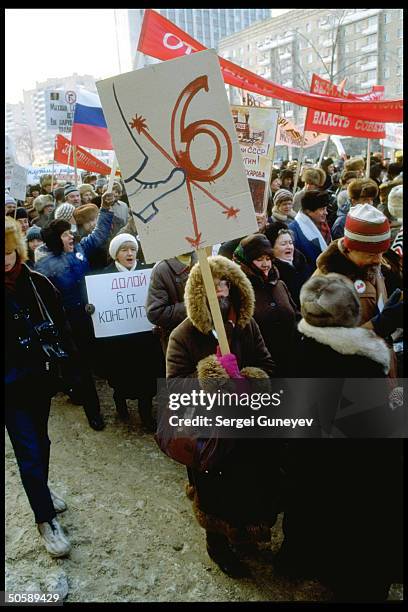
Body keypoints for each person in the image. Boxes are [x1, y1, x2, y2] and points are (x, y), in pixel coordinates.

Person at [276, 273, 402, 601]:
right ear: (349, 314)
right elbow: (388, 425)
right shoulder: (362, 364)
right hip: (358, 474)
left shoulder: (300, 343)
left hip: (313, 464)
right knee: (357, 541)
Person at [166, 255, 278, 577]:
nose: (221, 290)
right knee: (215, 494)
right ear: (198, 291)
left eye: (226, 282)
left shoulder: (246, 324)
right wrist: (210, 377)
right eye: (213, 285)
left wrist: (248, 377)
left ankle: (244, 534)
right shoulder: (183, 335)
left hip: (248, 425)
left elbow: (268, 364)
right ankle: (218, 546)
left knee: (248, 485)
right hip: (211, 434)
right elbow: (175, 388)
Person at [5, 217, 72, 557]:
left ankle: (41, 492)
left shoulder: (37, 282)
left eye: (8, 251)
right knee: (29, 451)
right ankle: (45, 519)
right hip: (8, 388)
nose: (4, 258)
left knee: (41, 443)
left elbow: (61, 324)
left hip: (39, 379)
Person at [35, 192, 116, 430]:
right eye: (66, 233)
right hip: (69, 325)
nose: (72, 236)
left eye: (71, 232)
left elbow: (100, 234)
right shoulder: (45, 266)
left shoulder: (80, 248)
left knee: (100, 358)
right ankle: (94, 412)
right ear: (56, 239)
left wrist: (106, 208)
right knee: (81, 367)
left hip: (92, 315)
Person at [314, 204, 403, 377]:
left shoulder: (373, 267)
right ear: (350, 248)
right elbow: (331, 349)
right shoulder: (329, 285)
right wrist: (381, 323)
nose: (378, 260)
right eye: (371, 254)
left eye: (381, 252)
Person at [95, 233, 165, 431]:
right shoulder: (103, 276)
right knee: (121, 378)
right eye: (124, 250)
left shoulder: (147, 273)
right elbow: (97, 304)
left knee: (146, 379)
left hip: (144, 338)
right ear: (115, 254)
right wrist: (92, 308)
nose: (129, 253)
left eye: (132, 249)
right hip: (119, 341)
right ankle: (121, 404)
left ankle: (146, 415)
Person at [233, 234, 298, 376]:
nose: (265, 264)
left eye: (268, 259)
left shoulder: (280, 285)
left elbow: (296, 316)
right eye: (259, 259)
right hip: (263, 369)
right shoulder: (239, 292)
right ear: (246, 261)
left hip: (291, 364)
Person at [146, 251, 197, 356]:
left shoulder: (204, 260)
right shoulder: (161, 270)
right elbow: (155, 313)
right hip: (179, 344)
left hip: (206, 338)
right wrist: (194, 306)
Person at [264, 222, 310, 308]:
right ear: (272, 248)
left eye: (290, 242)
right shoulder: (273, 272)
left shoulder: (301, 260)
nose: (289, 247)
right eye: (283, 244)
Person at [288, 190, 331, 274]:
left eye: (325, 208)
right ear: (309, 211)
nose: (326, 212)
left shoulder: (323, 226)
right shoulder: (293, 230)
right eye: (322, 209)